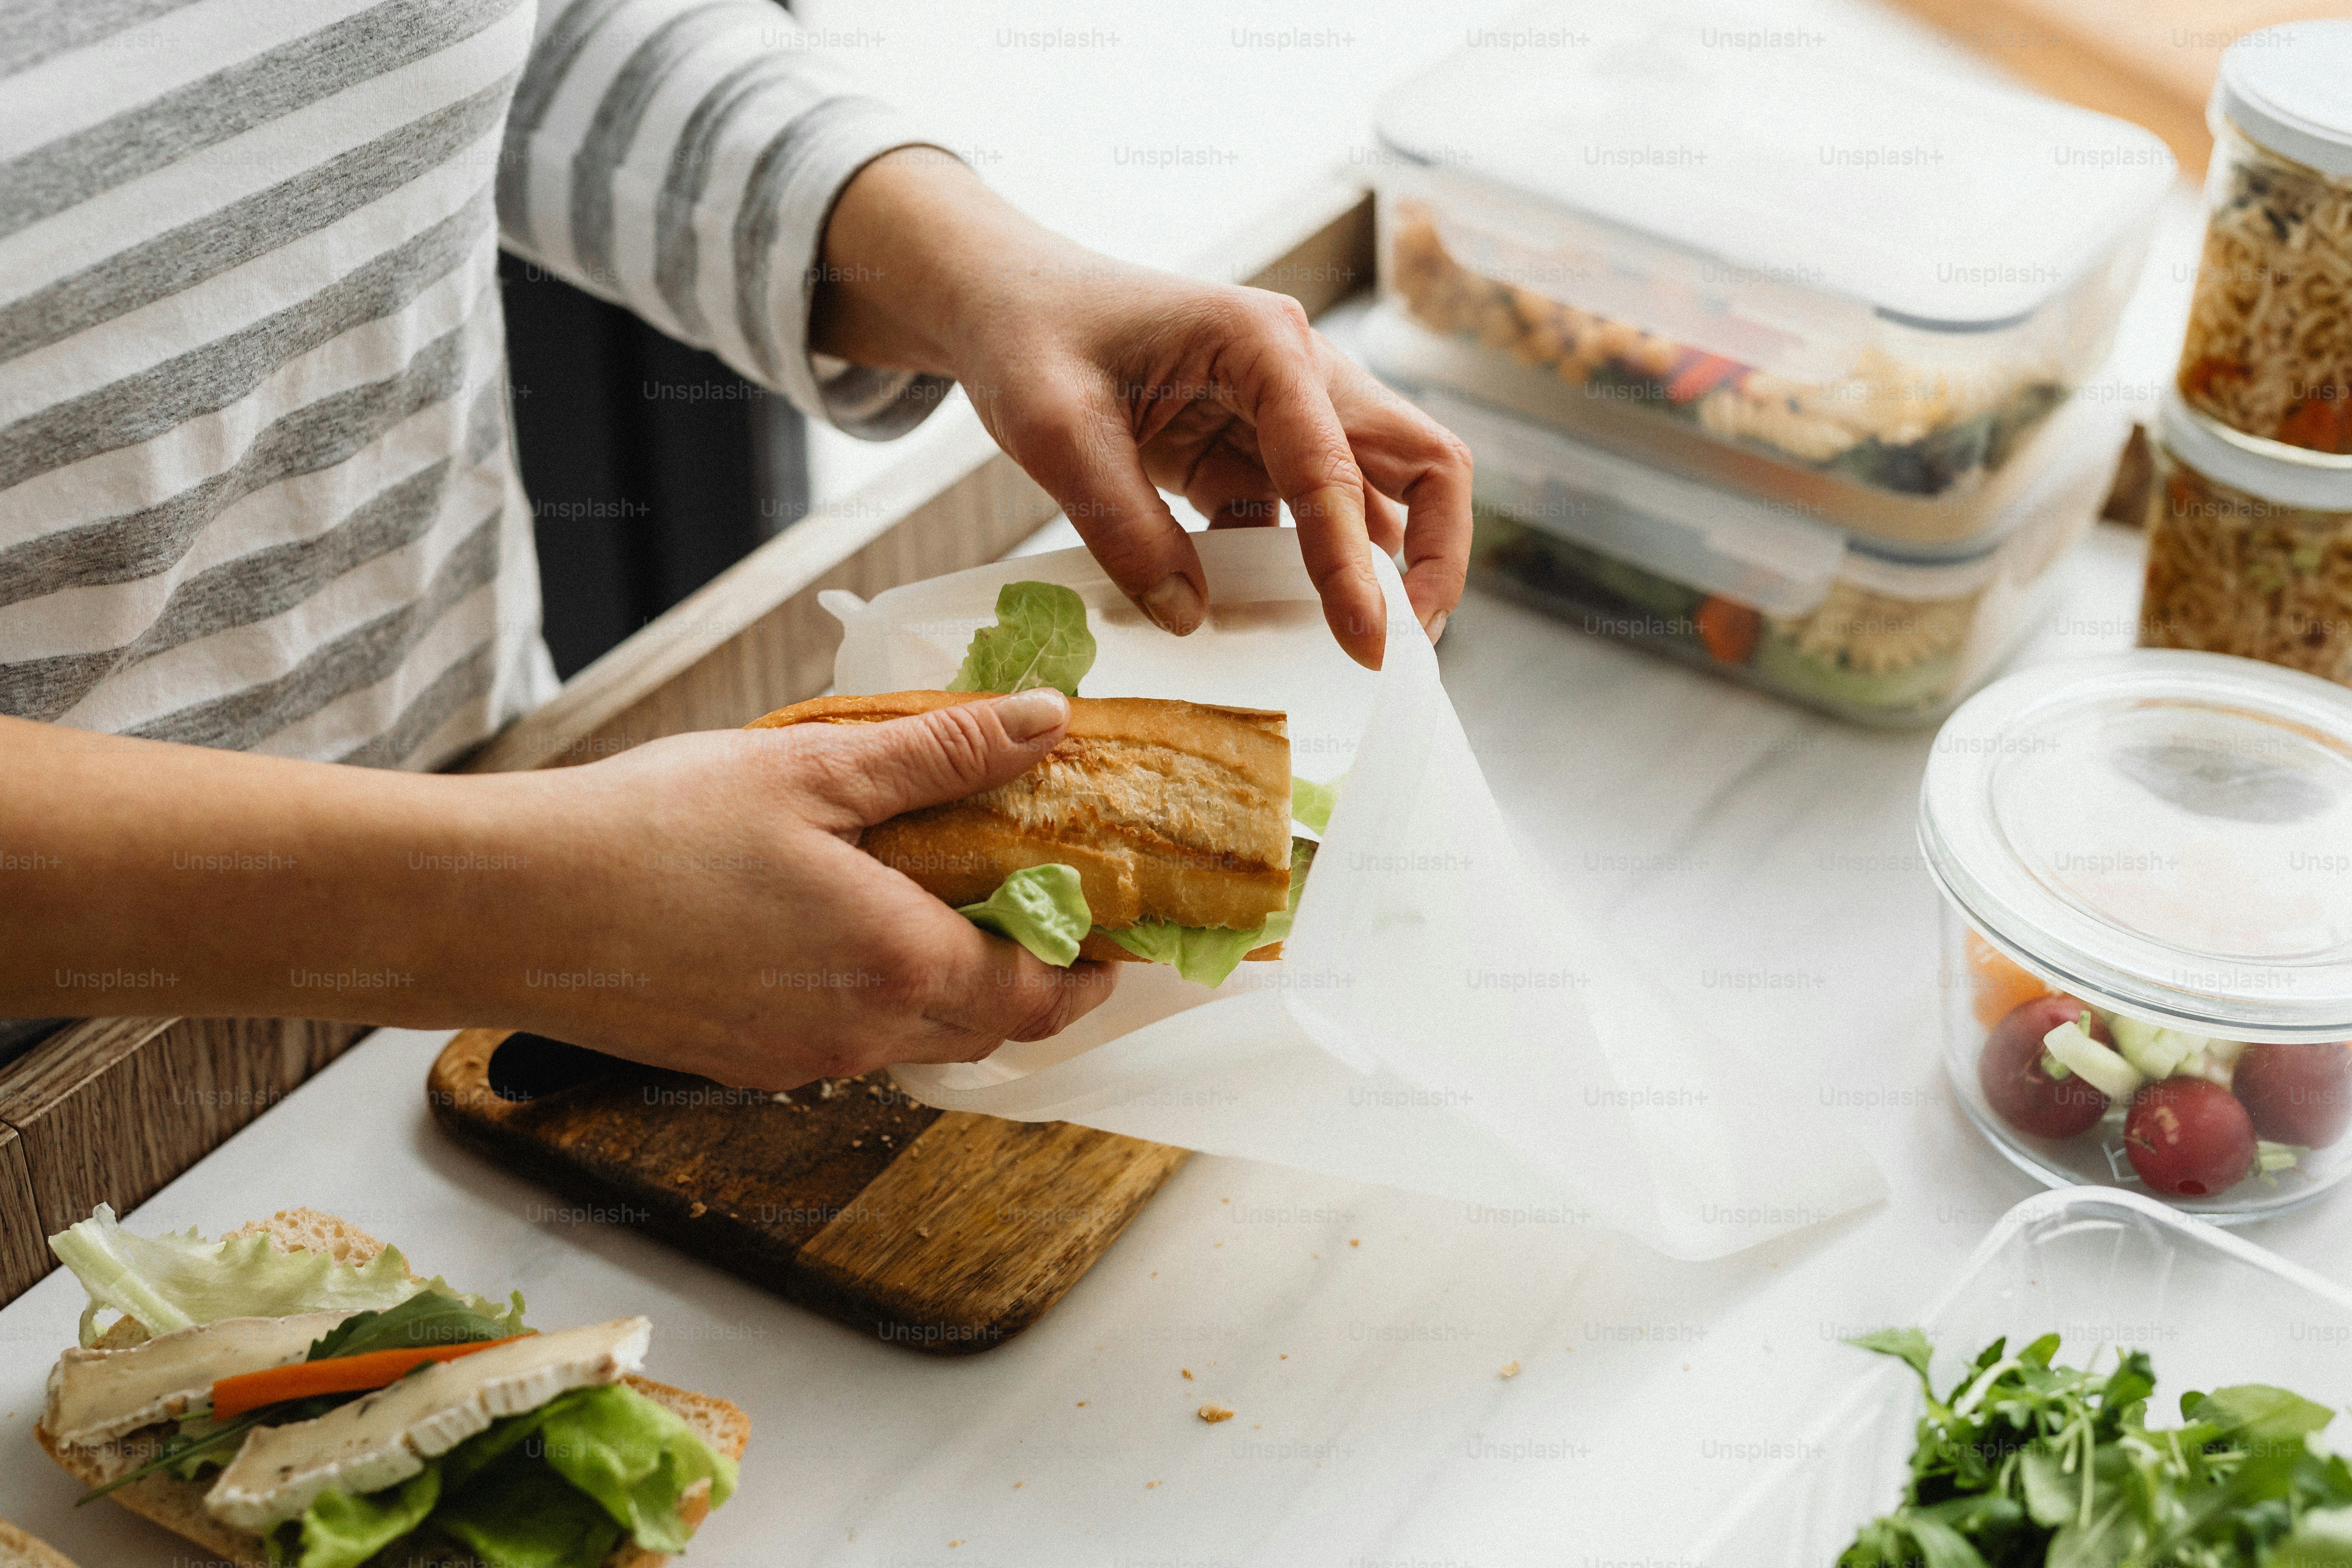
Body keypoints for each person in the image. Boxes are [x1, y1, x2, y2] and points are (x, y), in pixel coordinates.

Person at [0, 0, 1471, 1089]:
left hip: (489, 792)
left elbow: (513, 38)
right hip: (56, 1088)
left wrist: (986, 278)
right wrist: (528, 908)